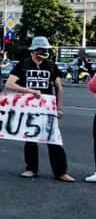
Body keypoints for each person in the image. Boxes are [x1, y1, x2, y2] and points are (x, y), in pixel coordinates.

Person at [5, 36, 74, 182]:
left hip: (48, 107)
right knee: (31, 138)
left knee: (54, 139)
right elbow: (9, 84)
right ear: (34, 51)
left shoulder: (50, 65)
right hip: (29, 107)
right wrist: (29, 91)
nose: (45, 52)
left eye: (46, 50)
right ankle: (31, 169)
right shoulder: (23, 65)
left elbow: (59, 87)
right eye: (42, 50)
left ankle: (61, 172)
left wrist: (59, 108)